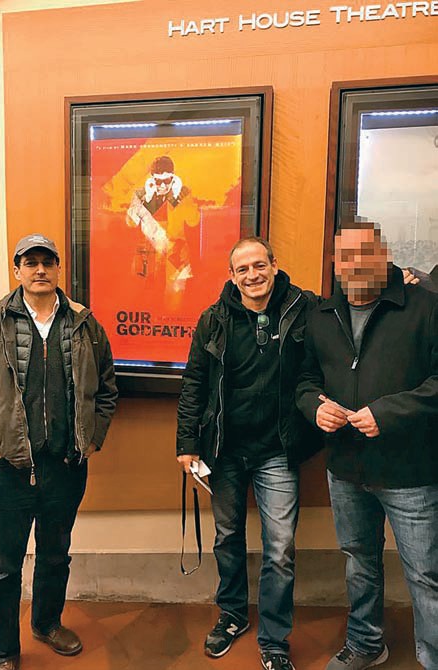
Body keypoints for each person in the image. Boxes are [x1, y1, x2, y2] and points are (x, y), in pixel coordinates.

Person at [0, 234, 118, 670]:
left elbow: (106, 388)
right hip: (6, 469)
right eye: (31, 262)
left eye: (47, 261)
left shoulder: (84, 325)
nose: (40, 269)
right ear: (17, 270)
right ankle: (4, 650)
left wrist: (91, 439)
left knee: (55, 556)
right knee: (4, 569)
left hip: (65, 466)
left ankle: (46, 623)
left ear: (59, 268)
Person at [296, 221, 438, 670]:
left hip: (411, 472)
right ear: (335, 264)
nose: (354, 265)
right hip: (346, 469)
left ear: (384, 255)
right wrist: (314, 407)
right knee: (359, 562)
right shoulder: (321, 316)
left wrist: (388, 414)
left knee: (427, 575)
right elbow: (305, 380)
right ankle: (366, 644)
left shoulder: (425, 307)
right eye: (345, 257)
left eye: (364, 254)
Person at [176, 236, 322, 670]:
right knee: (227, 537)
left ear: (274, 265)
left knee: (280, 547)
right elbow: (194, 383)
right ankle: (234, 614)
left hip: (278, 449)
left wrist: (405, 280)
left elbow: (349, 312)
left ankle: (274, 638)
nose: (253, 275)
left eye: (260, 265)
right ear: (232, 276)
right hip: (225, 450)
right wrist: (187, 444)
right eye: (243, 269)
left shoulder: (304, 309)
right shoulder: (214, 320)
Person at [126, 155, 200, 305]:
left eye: (167, 180)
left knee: (174, 302)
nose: (163, 185)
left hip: (175, 255)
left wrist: (178, 198)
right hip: (148, 256)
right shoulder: (141, 194)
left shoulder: (183, 193)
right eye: (158, 181)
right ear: (152, 178)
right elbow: (131, 223)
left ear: (173, 177)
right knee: (145, 301)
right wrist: (146, 199)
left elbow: (193, 221)